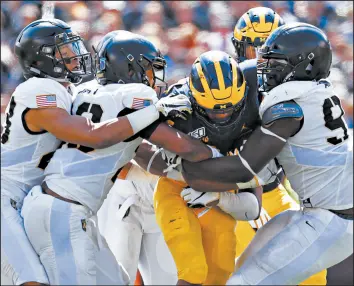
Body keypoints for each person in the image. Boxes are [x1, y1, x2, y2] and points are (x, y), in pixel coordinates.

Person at [19, 30, 219, 285]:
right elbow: (181, 147)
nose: (152, 76)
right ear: (130, 66)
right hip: (64, 211)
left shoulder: (84, 91)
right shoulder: (134, 96)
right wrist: (217, 156)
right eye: (148, 67)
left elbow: (139, 151)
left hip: (59, 205)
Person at [181, 23, 353, 285]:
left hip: (333, 221)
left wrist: (187, 170)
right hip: (315, 212)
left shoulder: (290, 107)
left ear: (303, 65)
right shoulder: (316, 92)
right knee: (238, 272)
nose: (266, 69)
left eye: (275, 63)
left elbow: (244, 168)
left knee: (244, 283)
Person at [135, 50, 280, 285]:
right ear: (194, 99)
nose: (223, 116)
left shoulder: (259, 98)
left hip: (221, 192)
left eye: (230, 108)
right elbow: (138, 151)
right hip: (177, 189)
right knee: (192, 270)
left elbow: (253, 208)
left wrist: (218, 197)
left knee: (220, 274)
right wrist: (184, 167)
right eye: (214, 110)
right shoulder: (177, 106)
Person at [230, 7, 327, 285]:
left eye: (269, 49)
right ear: (239, 49)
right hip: (231, 196)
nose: (262, 59)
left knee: (313, 270)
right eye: (254, 49)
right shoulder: (227, 83)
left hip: (275, 190)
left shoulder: (300, 88)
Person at [97, 157, 178, 285]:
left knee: (167, 281)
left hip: (164, 207)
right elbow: (107, 162)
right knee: (114, 278)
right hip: (124, 199)